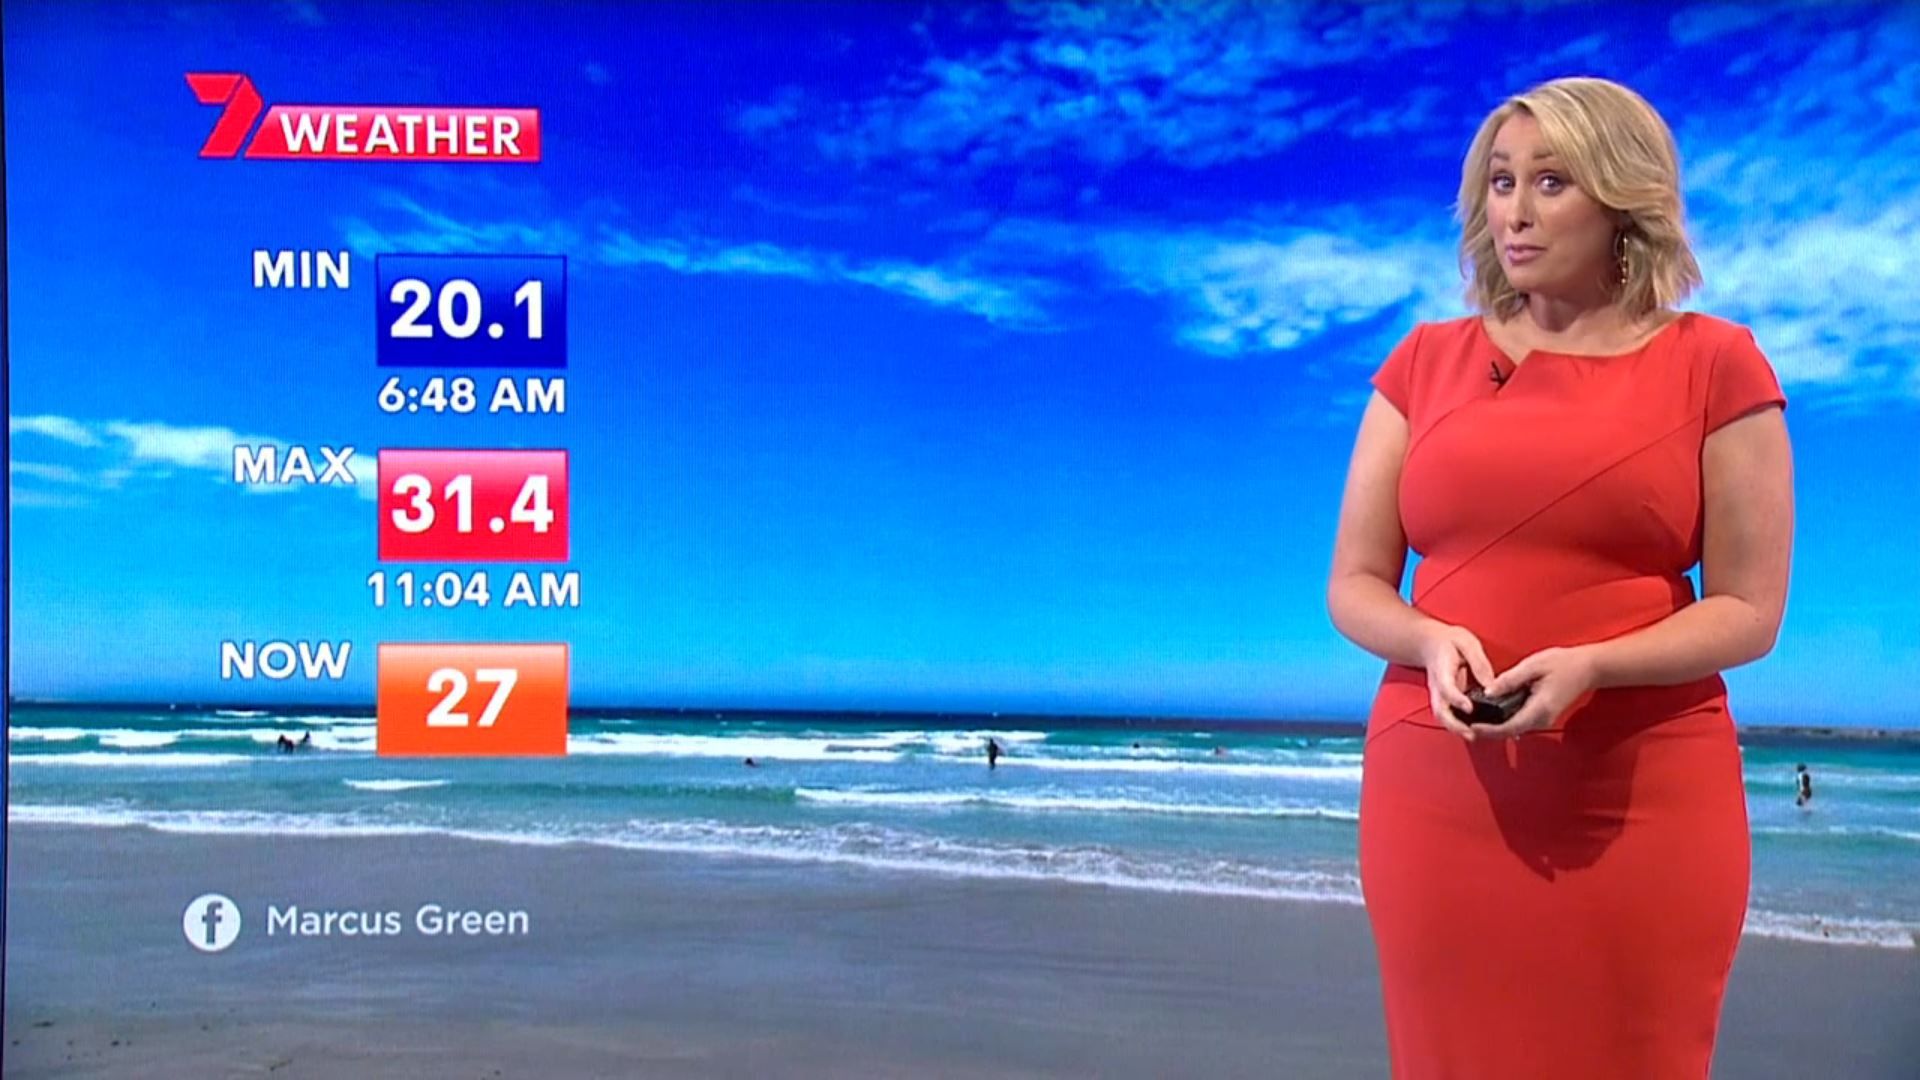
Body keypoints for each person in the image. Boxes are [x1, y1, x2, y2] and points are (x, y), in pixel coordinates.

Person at [1327, 77, 1792, 1078]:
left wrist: (1594, 665)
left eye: (1551, 181)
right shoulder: (1422, 363)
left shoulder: (1718, 364)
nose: (1516, 212)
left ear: (1623, 198)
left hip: (1641, 792)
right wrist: (1427, 639)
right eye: (1501, 183)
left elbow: (1751, 611)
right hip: (1435, 789)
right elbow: (1356, 582)